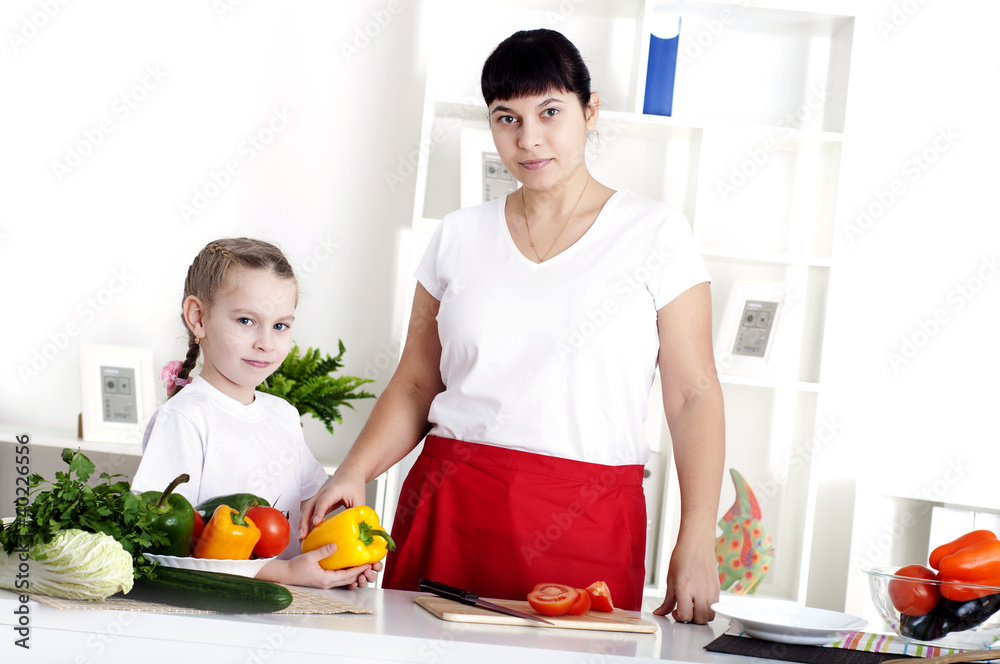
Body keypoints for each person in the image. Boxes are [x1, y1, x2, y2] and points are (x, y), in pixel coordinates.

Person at [300, 28, 724, 620]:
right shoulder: (456, 235)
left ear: (590, 110)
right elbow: (418, 383)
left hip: (590, 517)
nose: (529, 139)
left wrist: (697, 534)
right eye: (507, 118)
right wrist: (353, 471)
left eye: (550, 112)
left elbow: (693, 394)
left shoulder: (657, 234)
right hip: (451, 506)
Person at [132, 237, 378, 589]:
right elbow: (168, 545)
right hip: (218, 608)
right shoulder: (184, 418)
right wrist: (288, 574)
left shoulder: (284, 415)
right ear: (198, 318)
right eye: (247, 321)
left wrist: (343, 555)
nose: (266, 342)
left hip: (296, 605)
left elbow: (311, 506)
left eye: (280, 326)